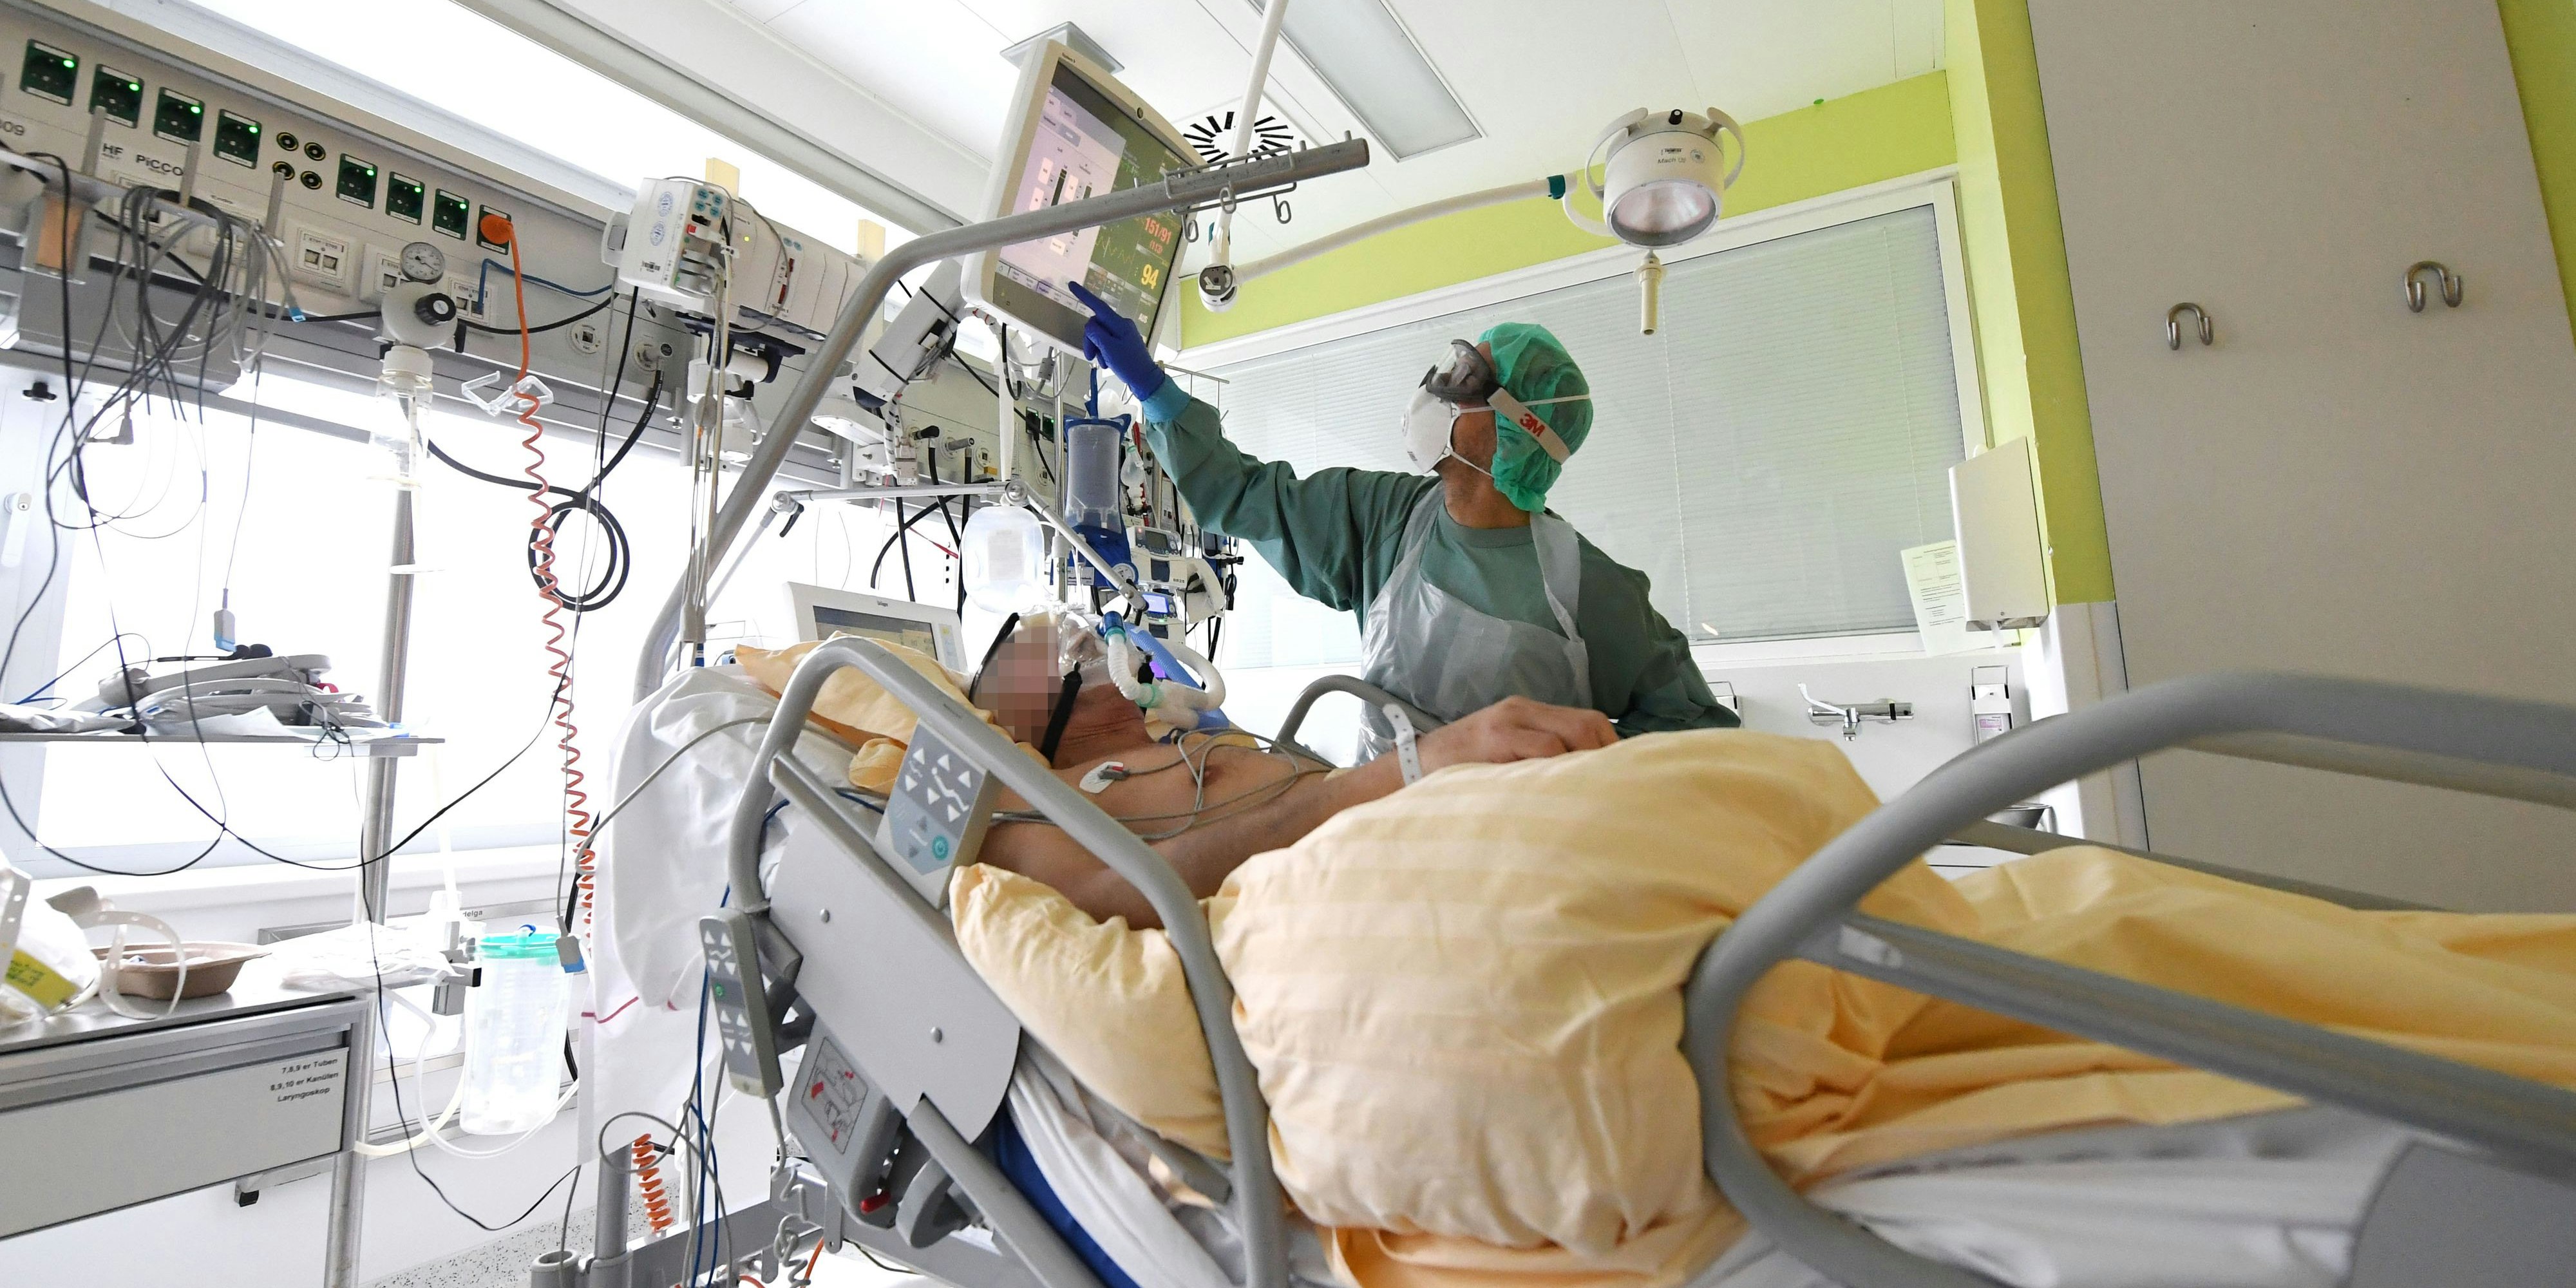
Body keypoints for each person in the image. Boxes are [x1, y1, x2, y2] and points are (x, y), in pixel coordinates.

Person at [1065, 283, 1733, 754]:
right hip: (1378, 822)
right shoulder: (1386, 517)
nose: (1438, 386)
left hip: (1505, 861)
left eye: (1467, 379)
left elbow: (1697, 728)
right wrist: (1153, 389)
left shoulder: (1584, 586)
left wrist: (1564, 771)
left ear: (1512, 434)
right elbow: (1242, 494)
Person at [967, 613, 1615, 927]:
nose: (1119, 657)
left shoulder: (1154, 746)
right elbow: (1118, 899)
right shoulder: (1030, 808)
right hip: (1364, 868)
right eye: (1081, 653)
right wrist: (1415, 764)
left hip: (1387, 822)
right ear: (1042, 718)